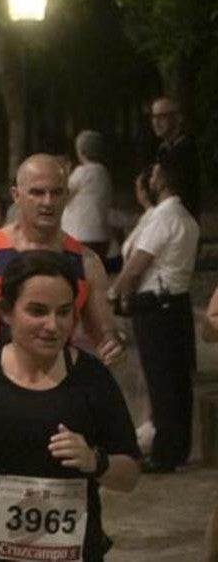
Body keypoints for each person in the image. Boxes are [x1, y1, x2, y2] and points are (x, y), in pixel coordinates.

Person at [0, 251, 141, 561]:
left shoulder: (91, 379)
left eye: (63, 312)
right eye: (37, 311)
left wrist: (95, 461)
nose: (52, 325)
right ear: (7, 312)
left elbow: (129, 475)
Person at [0, 154, 124, 363]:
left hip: (55, 381)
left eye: (56, 193)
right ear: (16, 195)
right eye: (37, 193)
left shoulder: (86, 261)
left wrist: (113, 347)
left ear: (67, 196)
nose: (47, 202)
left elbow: (105, 335)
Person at [110, 159, 199, 473]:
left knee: (162, 380)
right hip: (176, 303)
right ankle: (177, 447)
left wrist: (112, 295)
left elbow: (136, 266)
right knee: (177, 380)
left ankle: (164, 452)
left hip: (156, 306)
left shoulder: (165, 217)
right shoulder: (183, 215)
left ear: (163, 181)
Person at [62, 131, 113, 256]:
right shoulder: (104, 172)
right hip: (101, 235)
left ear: (81, 151)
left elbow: (63, 195)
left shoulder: (82, 171)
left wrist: (65, 175)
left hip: (80, 235)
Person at [149, 96, 200, 216]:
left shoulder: (185, 148)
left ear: (178, 118)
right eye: (153, 117)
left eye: (162, 116)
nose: (156, 122)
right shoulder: (163, 149)